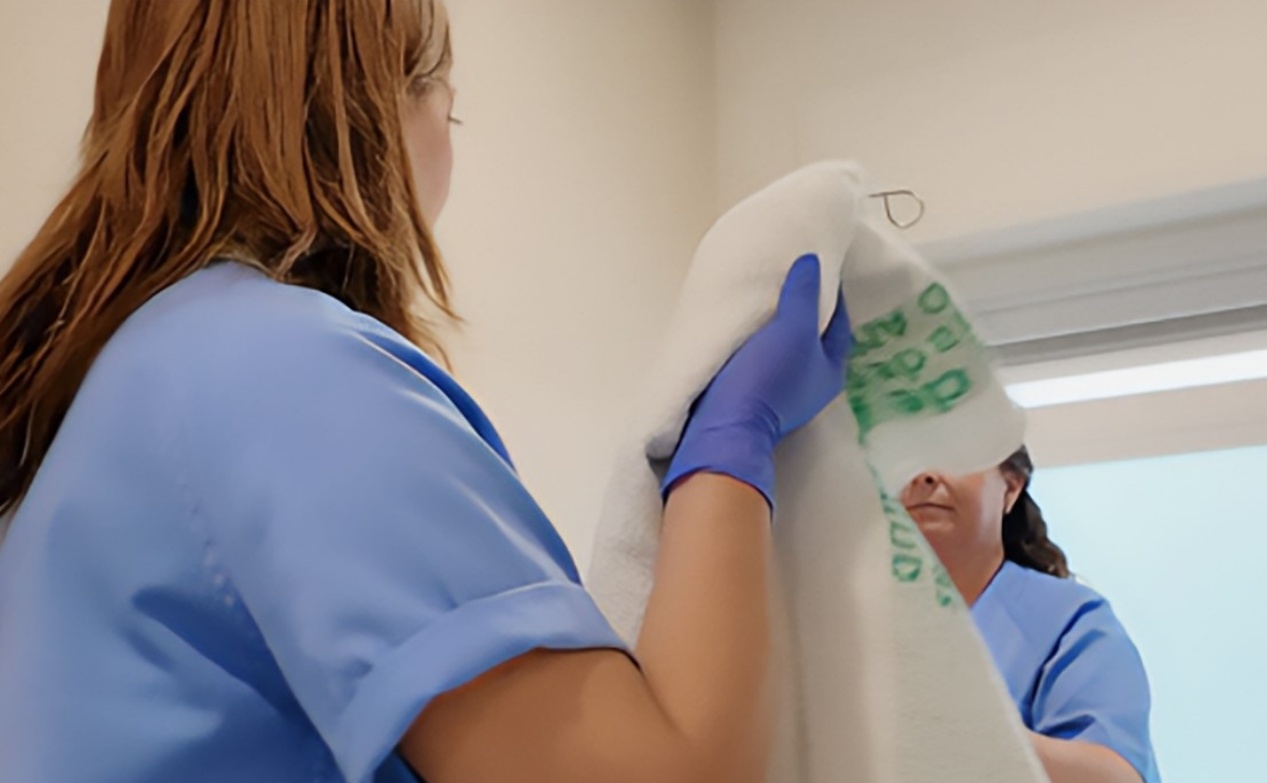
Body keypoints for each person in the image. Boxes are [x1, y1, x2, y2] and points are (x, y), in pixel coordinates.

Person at [0, 2, 853, 782]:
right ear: (373, 108)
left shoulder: (108, 377)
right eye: (449, 102)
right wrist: (732, 442)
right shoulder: (286, 370)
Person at [901, 446, 1160, 783]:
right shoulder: (851, 624)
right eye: (904, 458)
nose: (926, 476)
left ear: (1010, 488)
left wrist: (965, 732)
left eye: (955, 454)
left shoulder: (1068, 619)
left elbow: (1114, 777)